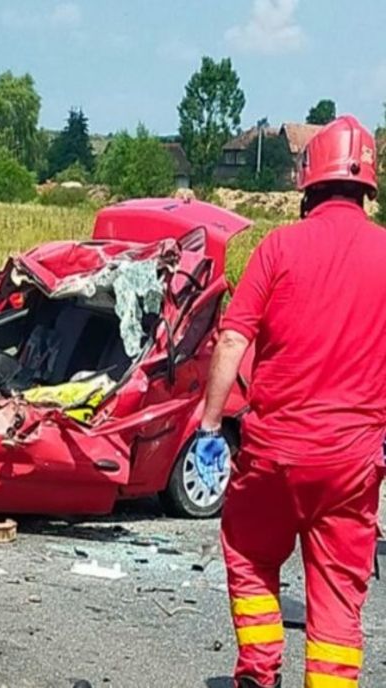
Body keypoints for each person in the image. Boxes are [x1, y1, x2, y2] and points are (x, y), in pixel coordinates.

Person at [197, 115, 386, 688]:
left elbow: (233, 338)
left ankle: (259, 673)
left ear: (309, 183)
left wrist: (208, 426)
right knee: (336, 596)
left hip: (276, 454)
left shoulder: (280, 247)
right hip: (352, 464)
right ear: (367, 188)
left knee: (249, 556)